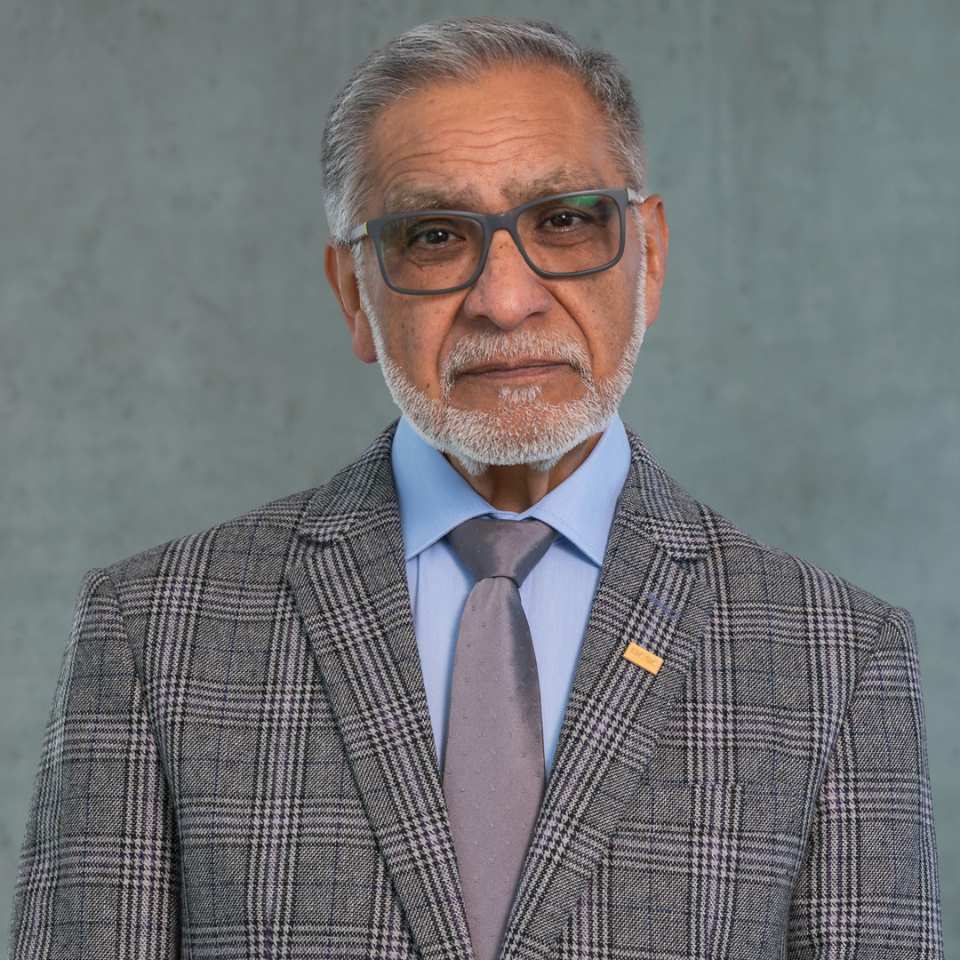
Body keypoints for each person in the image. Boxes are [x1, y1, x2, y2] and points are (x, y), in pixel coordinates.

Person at [10, 16, 943, 960]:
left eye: (564, 221)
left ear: (650, 257)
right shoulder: (156, 631)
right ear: (354, 294)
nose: (505, 300)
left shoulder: (835, 657)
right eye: (434, 236)